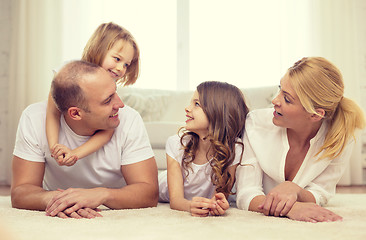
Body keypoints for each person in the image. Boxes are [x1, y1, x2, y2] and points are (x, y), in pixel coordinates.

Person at [11, 60, 158, 219]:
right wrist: (59, 200)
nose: (120, 104)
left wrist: (101, 195)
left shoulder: (129, 119)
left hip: (114, 208)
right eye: (108, 100)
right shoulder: (34, 118)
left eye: (115, 92)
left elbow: (149, 193)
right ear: (75, 114)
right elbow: (21, 191)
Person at [236, 57, 366, 223]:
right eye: (279, 89)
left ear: (315, 114)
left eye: (287, 99)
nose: (274, 101)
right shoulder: (255, 124)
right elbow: (246, 193)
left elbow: (321, 192)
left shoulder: (339, 137)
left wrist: (296, 190)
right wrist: (292, 208)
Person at [46, 22, 140, 166]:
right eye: (117, 59)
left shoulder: (110, 85)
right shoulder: (66, 73)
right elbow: (53, 112)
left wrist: (75, 153)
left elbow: (108, 130)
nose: (121, 68)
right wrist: (54, 147)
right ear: (99, 49)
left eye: (126, 64)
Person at [159, 81, 249, 217]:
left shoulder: (234, 149)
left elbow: (219, 195)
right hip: (163, 187)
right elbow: (175, 201)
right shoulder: (176, 143)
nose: (187, 108)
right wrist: (189, 206)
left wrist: (216, 205)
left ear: (217, 112)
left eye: (196, 104)